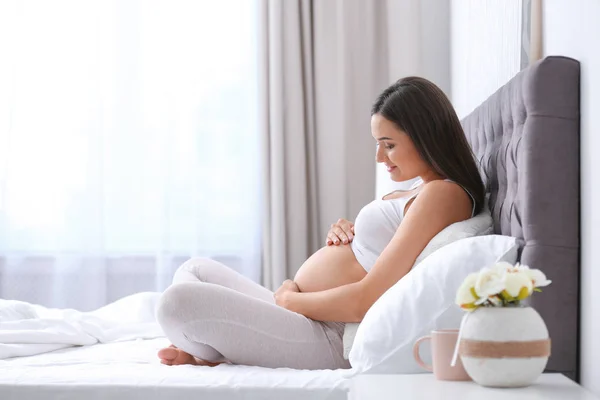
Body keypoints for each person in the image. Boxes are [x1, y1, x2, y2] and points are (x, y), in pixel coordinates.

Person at [155, 76, 485, 369]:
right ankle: (214, 346)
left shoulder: (444, 195)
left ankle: (210, 349)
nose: (379, 158)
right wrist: (347, 233)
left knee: (176, 303)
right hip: (306, 313)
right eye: (377, 144)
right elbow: (376, 249)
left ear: (425, 136)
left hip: (329, 332)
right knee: (194, 270)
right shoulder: (420, 188)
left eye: (389, 145)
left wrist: (289, 299)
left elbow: (365, 300)